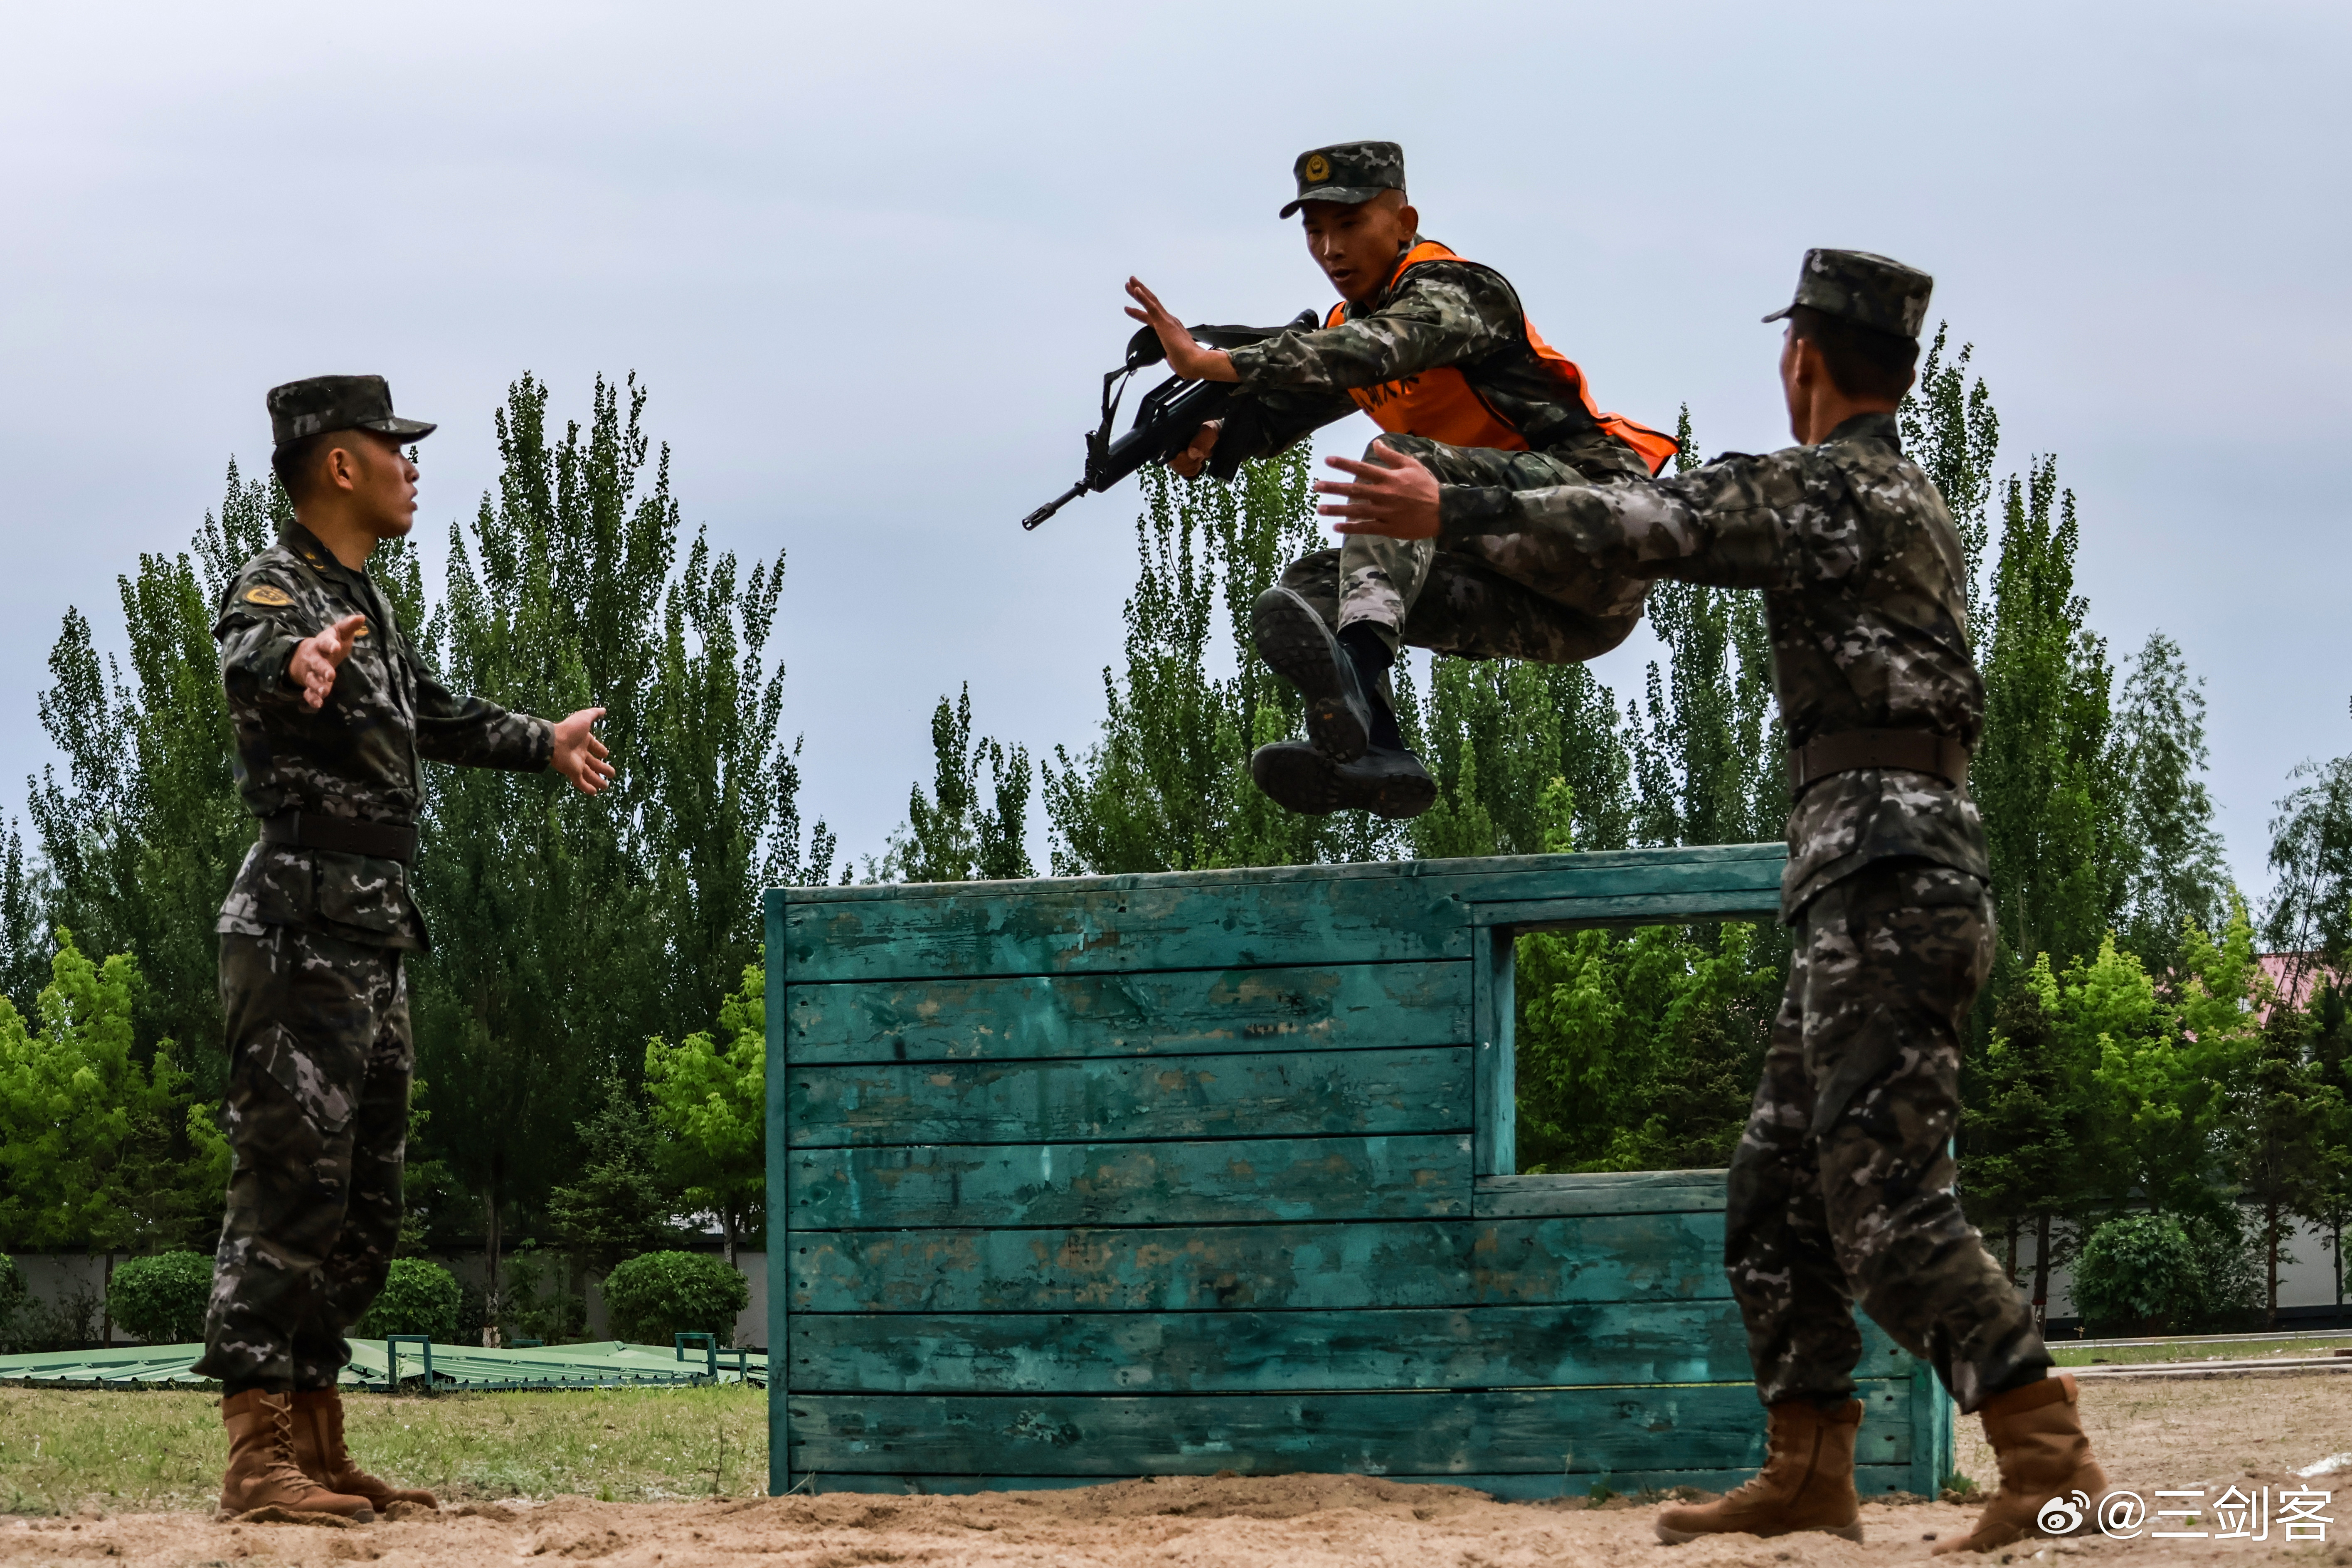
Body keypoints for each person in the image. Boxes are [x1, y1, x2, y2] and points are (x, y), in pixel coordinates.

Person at [1313, 251, 2107, 1555]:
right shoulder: (1882, 489)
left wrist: (1445, 506)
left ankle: (2046, 1453)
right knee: (1776, 1198)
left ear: (1801, 359)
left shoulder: (1835, 487)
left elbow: (1649, 521)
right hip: (1866, 874)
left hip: (1892, 877)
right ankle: (1810, 1467)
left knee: (1883, 1204)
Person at [192, 375, 616, 1521]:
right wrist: (296, 662)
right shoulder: (279, 586)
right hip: (298, 924)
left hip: (371, 928)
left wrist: (543, 741)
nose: (412, 466)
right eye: (395, 448)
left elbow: (429, 708)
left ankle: (317, 1441)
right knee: (287, 1185)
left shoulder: (364, 600)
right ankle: (256, 1455)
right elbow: (252, 650)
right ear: (341, 464)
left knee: (361, 1207)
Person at [1122, 140, 1675, 819]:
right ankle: (1376, 754)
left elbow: (1378, 348)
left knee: (1397, 465)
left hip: (1597, 528)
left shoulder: (1458, 291)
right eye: (1315, 231)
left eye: (1350, 224)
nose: (1331, 250)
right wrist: (1208, 437)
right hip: (1554, 615)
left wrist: (1213, 362)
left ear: (1403, 223)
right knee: (1311, 590)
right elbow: (1283, 406)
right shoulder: (1346, 329)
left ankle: (1357, 667)